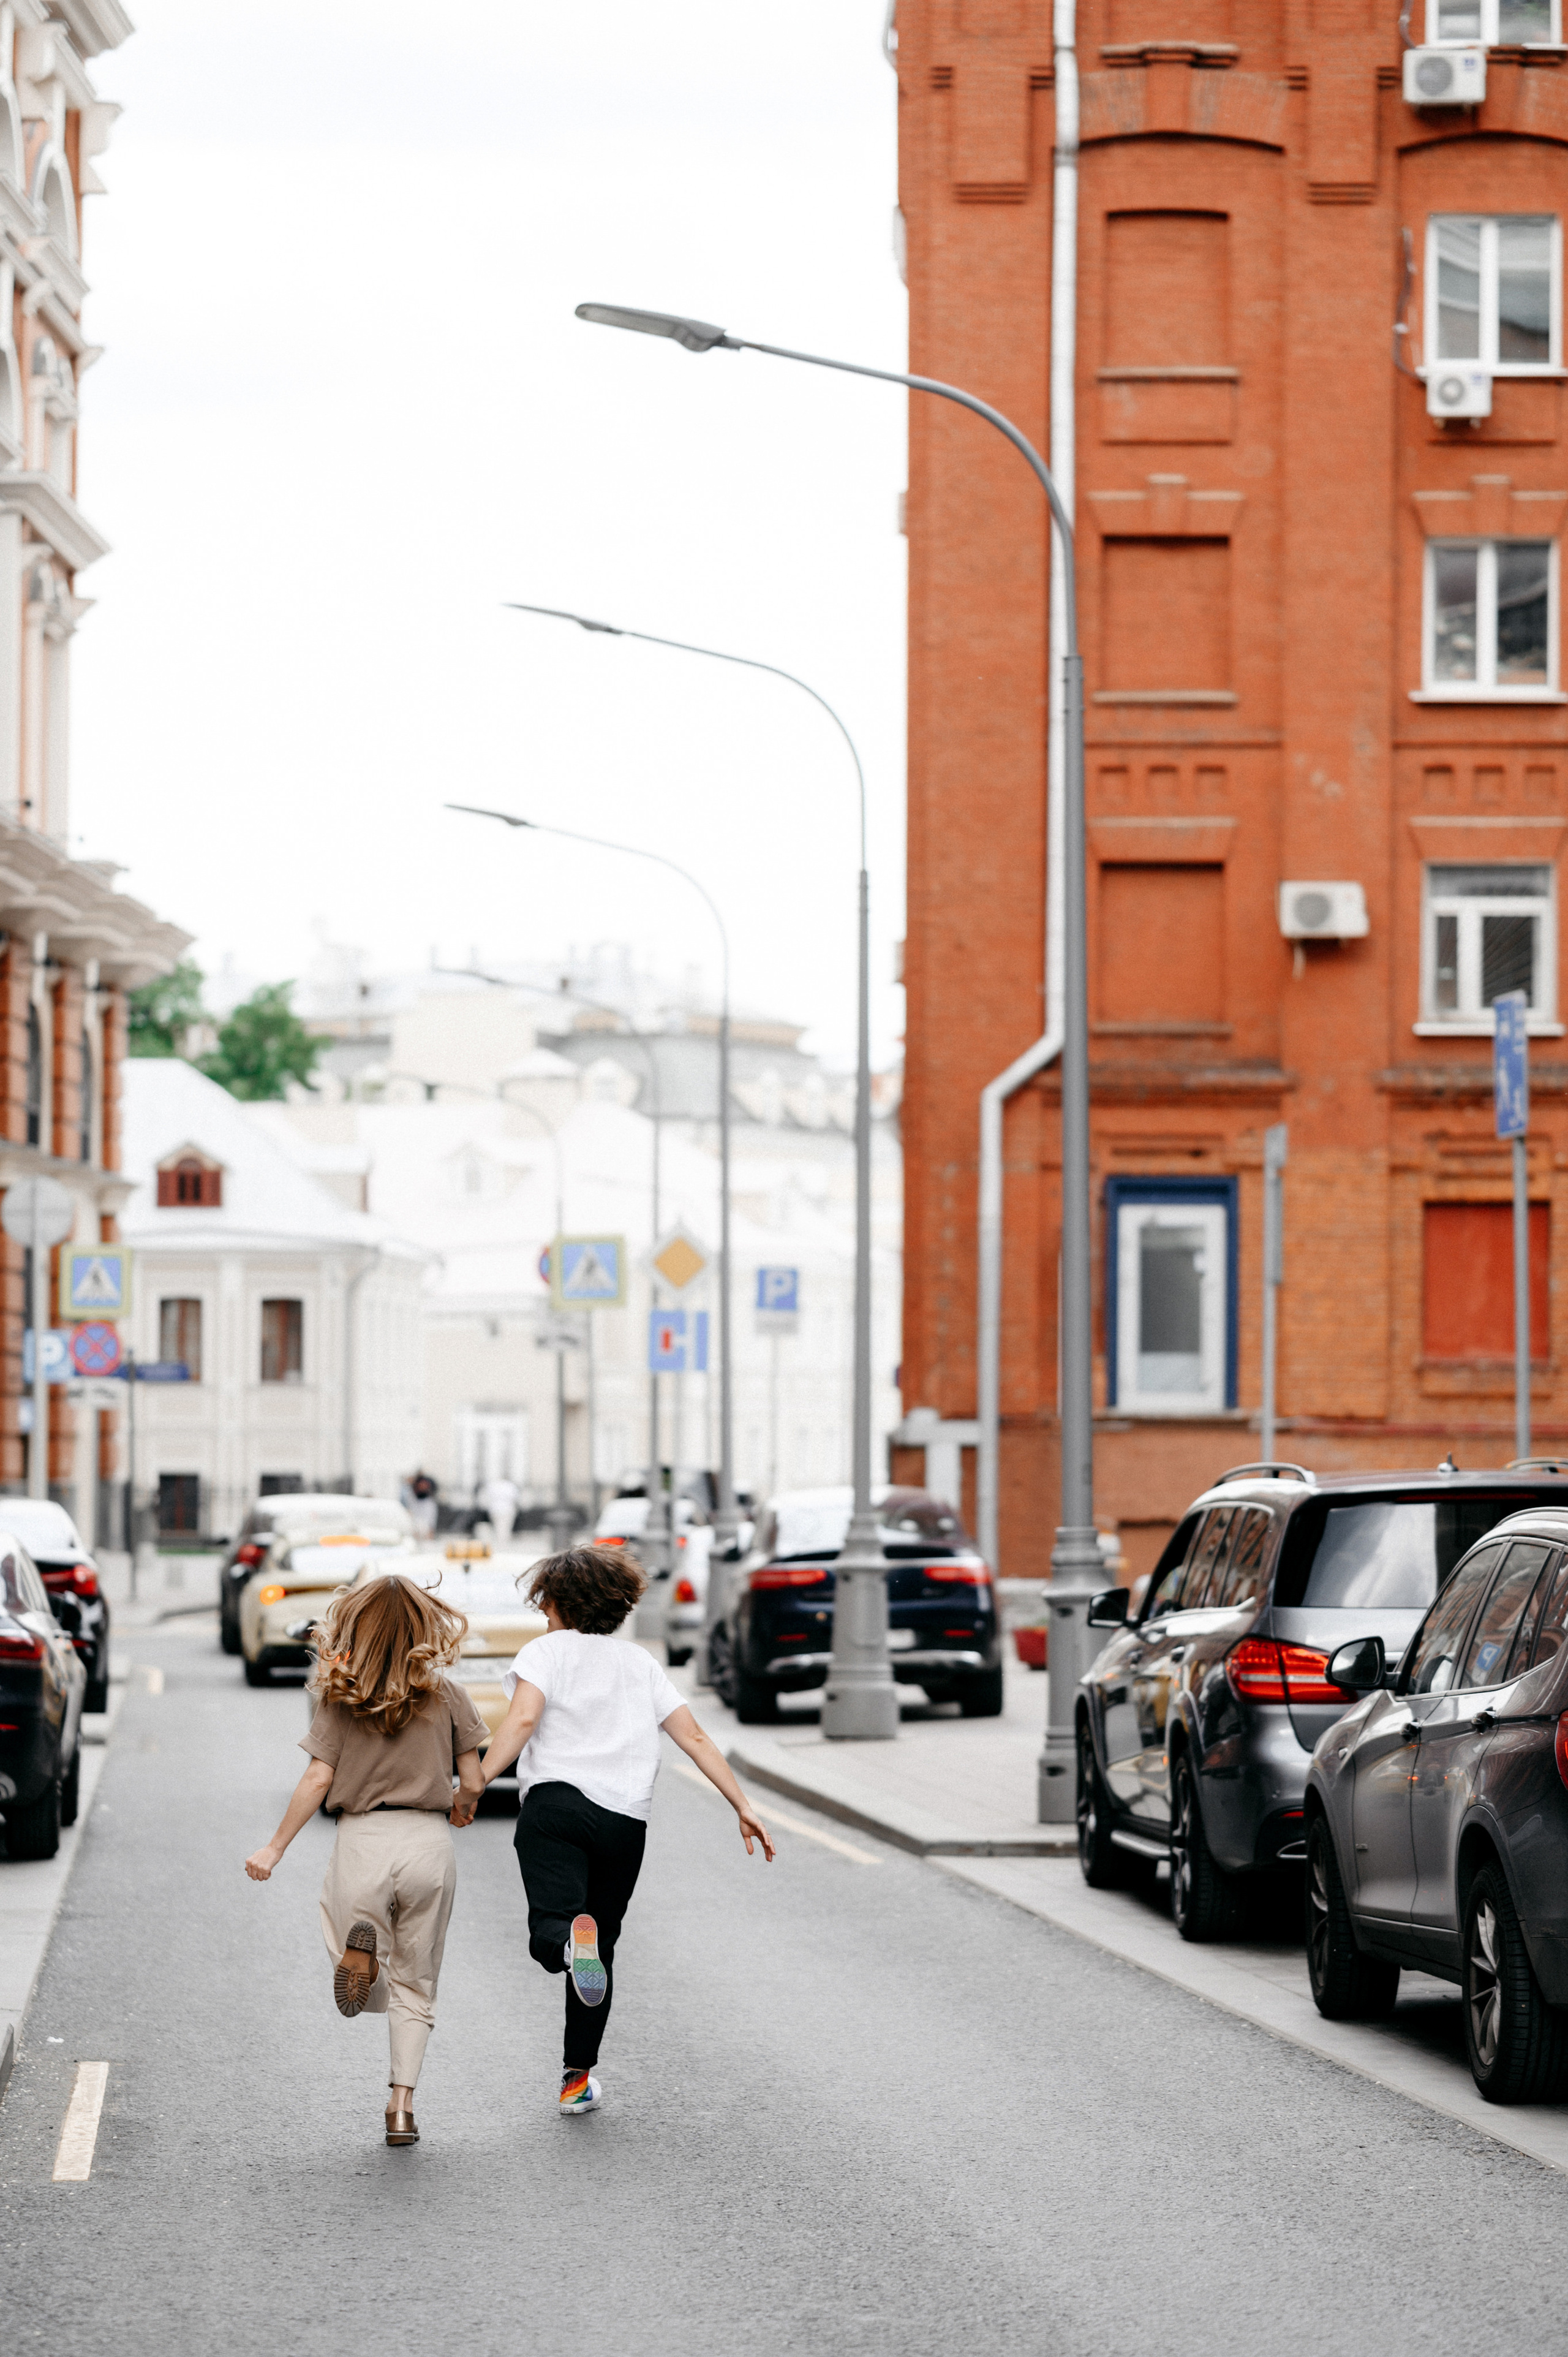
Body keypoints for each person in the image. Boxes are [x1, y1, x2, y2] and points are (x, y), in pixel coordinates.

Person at [459, 1542, 774, 2117]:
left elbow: (524, 1718)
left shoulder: (545, 1651)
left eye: (545, 1602)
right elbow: (695, 1737)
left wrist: (476, 1780)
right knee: (600, 1950)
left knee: (551, 1926)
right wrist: (742, 1803)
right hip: (625, 1820)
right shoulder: (640, 1663)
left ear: (557, 1600)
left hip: (555, 1806)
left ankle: (563, 1943)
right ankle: (576, 2080)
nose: (542, 1612)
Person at [244, 1573, 486, 2147]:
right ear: (426, 1626)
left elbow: (317, 1777)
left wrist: (274, 1847)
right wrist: (462, 1805)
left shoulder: (342, 1693)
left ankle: (364, 1965)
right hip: (427, 1841)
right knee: (419, 1981)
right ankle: (401, 2106)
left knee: (345, 1931)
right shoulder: (448, 1693)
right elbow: (473, 1778)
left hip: (363, 1840)